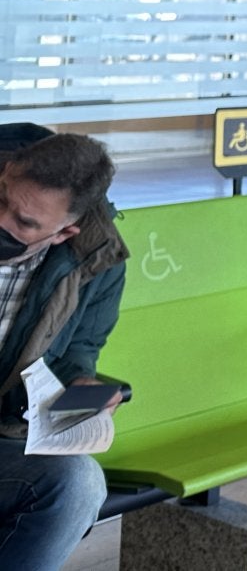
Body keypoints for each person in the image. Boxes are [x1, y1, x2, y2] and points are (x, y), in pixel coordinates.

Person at [0, 126, 126, 571]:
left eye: (26, 223)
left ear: (64, 231)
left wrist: (83, 388)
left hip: (4, 434)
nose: (3, 223)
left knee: (78, 484)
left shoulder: (96, 261)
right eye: (2, 201)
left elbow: (78, 351)